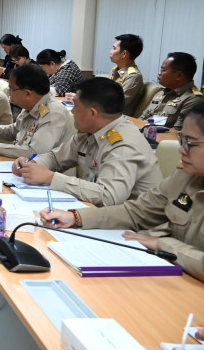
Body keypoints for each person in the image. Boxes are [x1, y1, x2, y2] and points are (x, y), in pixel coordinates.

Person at [41, 101, 204, 282]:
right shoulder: (185, 176)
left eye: (190, 143)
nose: (182, 149)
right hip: (178, 276)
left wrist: (163, 244)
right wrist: (76, 217)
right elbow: (136, 212)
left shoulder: (124, 142)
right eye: (182, 140)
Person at [14, 77, 162, 207]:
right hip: (99, 213)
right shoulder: (90, 131)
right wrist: (32, 164)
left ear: (92, 113)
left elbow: (109, 196)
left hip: (133, 225)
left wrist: (50, 178)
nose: (72, 112)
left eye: (76, 106)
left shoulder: (123, 144)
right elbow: (55, 158)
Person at [0, 64, 75, 158]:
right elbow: (14, 130)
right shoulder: (30, 106)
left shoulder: (53, 114)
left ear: (27, 93)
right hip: (23, 167)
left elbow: (33, 152)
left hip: (47, 175)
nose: (9, 93)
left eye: (11, 89)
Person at [141, 52, 202, 130]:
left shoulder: (193, 99)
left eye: (163, 70)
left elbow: (177, 132)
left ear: (178, 76)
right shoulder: (161, 93)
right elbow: (141, 119)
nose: (159, 73)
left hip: (158, 137)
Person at [109, 34, 144, 116]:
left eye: (114, 48)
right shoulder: (115, 70)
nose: (110, 51)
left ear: (124, 54)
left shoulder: (133, 76)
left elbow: (116, 104)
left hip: (118, 118)